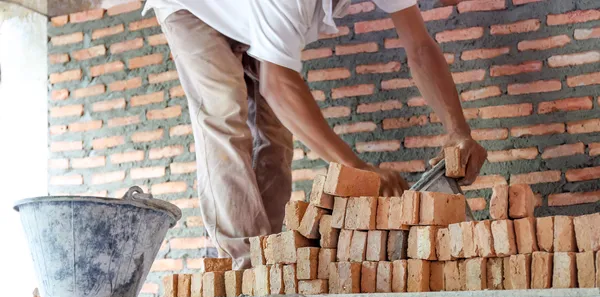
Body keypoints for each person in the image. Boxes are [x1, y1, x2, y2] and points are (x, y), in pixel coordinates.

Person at [142, 0, 487, 269]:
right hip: (193, 9)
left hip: (248, 14)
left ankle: (271, 258)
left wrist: (458, 130)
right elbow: (278, 87)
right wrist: (355, 167)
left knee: (276, 137)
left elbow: (420, 46)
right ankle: (244, 267)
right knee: (224, 115)